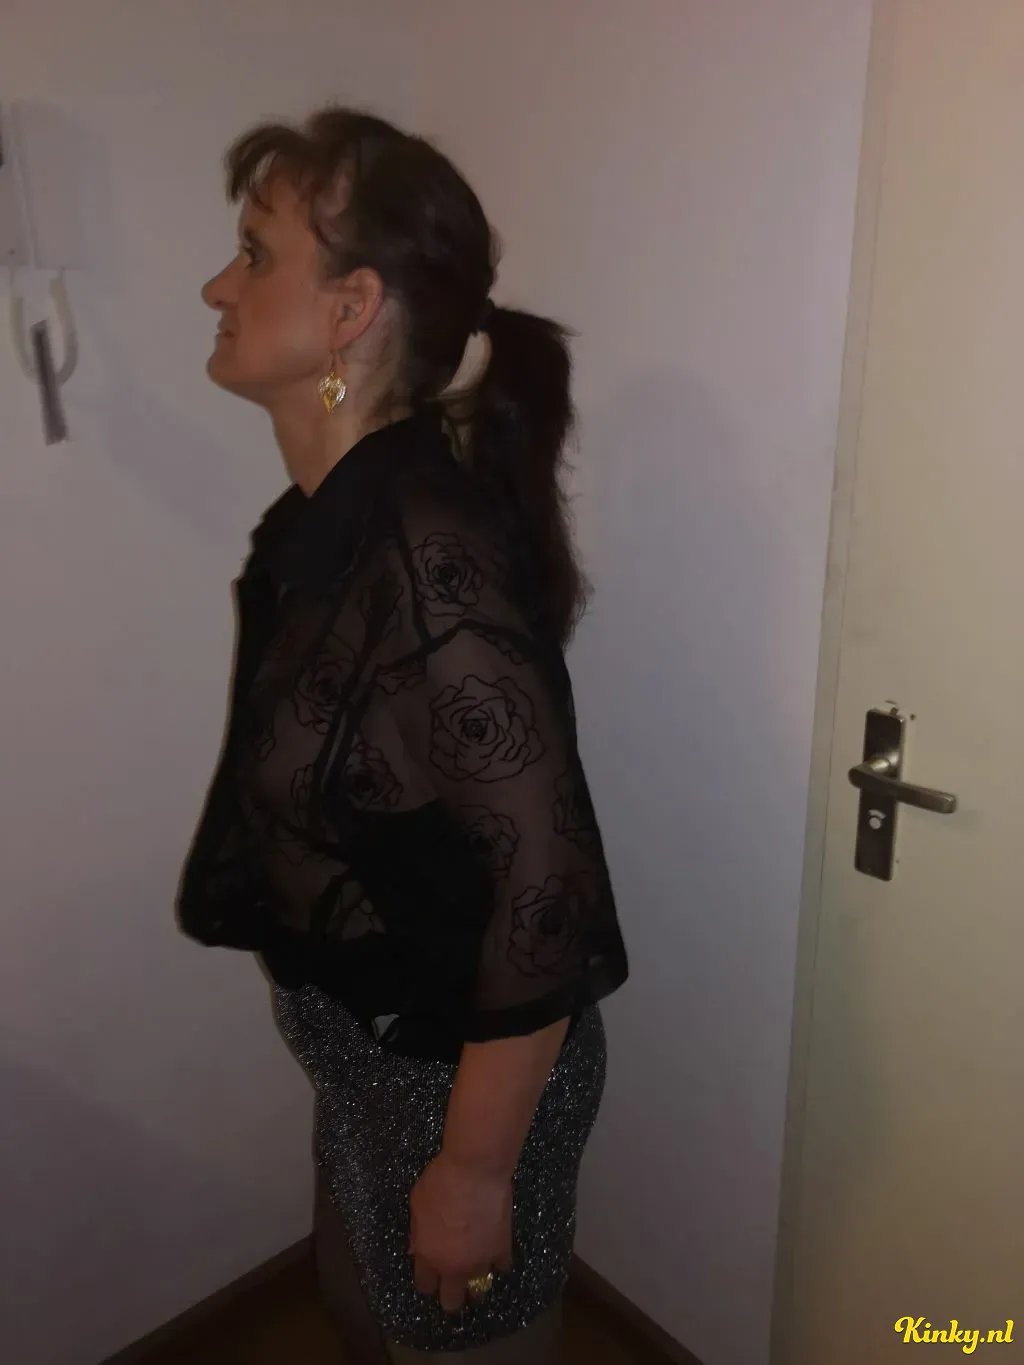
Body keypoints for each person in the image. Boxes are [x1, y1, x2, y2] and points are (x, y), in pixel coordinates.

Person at [177, 107, 629, 1364]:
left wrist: (473, 1174)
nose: (216, 287)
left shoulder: (427, 554)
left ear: (350, 308)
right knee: (363, 1314)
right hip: (373, 1066)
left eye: (254, 254)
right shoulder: (326, 523)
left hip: (460, 1093)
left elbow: (545, 895)